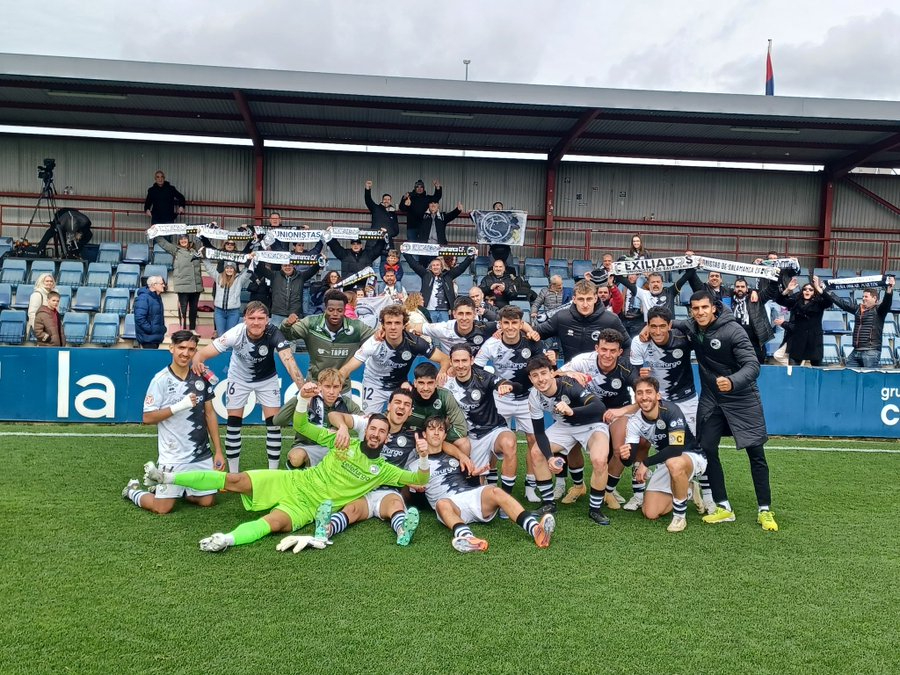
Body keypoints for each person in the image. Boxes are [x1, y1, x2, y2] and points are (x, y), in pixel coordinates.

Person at [143, 394, 431, 552]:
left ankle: (225, 539)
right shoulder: (342, 441)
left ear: (385, 439)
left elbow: (419, 480)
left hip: (308, 506)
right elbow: (302, 426)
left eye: (382, 432)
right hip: (293, 480)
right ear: (365, 430)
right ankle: (166, 478)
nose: (377, 434)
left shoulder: (382, 471)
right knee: (234, 480)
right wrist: (305, 401)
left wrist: (423, 458)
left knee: (273, 524)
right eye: (373, 429)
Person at [679, 291, 777, 531]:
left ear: (714, 307)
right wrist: (650, 328)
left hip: (742, 397)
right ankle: (723, 507)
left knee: (756, 454)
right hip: (713, 399)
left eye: (704, 307)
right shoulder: (693, 327)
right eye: (695, 308)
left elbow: (753, 365)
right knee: (708, 448)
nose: (700, 312)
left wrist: (733, 381)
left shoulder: (733, 330)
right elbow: (672, 324)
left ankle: (764, 509)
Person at [191, 301, 306, 472]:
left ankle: (272, 474)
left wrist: (302, 388)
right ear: (244, 319)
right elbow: (202, 353)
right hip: (239, 379)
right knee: (233, 425)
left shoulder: (274, 333)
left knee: (273, 426)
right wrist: (197, 361)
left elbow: (289, 361)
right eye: (251, 318)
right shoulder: (235, 334)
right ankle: (234, 473)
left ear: (267, 319)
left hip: (267, 379)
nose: (256, 322)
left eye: (261, 318)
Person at [418, 416, 556, 553]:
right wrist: (416, 489)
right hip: (450, 505)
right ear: (424, 434)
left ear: (445, 436)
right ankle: (468, 538)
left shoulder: (457, 457)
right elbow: (415, 497)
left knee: (495, 490)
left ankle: (536, 529)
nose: (436, 433)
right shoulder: (415, 464)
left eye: (440, 429)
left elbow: (470, 481)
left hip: (470, 496)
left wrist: (474, 475)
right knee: (442, 503)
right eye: (431, 429)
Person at [123, 330, 225, 514]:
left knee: (207, 501)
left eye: (191, 349)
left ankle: (179, 488)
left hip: (200, 454)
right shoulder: (160, 380)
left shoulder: (201, 376)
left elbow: (209, 414)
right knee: (162, 508)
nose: (185, 353)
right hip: (173, 456)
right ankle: (132, 491)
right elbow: (147, 418)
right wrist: (180, 406)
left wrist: (218, 451)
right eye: (181, 348)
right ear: (171, 348)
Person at [629, 306, 709, 511]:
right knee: (644, 442)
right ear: (646, 325)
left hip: (685, 399)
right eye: (652, 326)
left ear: (670, 325)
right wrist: (640, 374)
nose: (657, 331)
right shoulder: (639, 342)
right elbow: (635, 378)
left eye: (662, 326)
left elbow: (700, 327)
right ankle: (639, 493)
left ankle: (707, 495)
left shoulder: (683, 338)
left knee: (691, 445)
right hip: (655, 402)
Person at [557, 328, 639, 509]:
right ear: (597, 348)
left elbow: (643, 399)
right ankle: (579, 486)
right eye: (603, 349)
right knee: (572, 444)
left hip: (616, 411)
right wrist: (569, 374)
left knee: (620, 449)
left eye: (612, 351)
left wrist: (622, 410)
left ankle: (608, 491)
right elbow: (554, 375)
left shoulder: (627, 368)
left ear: (620, 352)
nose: (607, 355)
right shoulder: (582, 361)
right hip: (588, 410)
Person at [525, 355, 610, 524]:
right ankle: (548, 503)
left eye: (544, 373)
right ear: (530, 378)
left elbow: (599, 408)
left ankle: (595, 509)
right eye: (535, 375)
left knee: (599, 460)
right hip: (564, 426)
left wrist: (573, 412)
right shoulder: (534, 396)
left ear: (552, 373)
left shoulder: (569, 385)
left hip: (592, 424)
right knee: (536, 452)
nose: (541, 379)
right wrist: (550, 457)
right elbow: (539, 433)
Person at [619, 377, 708, 533]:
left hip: (692, 456)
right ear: (635, 397)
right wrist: (624, 456)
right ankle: (686, 488)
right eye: (639, 393)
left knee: (674, 463)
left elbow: (676, 449)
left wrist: (646, 463)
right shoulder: (634, 422)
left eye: (649, 392)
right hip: (666, 462)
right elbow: (629, 462)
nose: (644, 397)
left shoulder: (671, 410)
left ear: (657, 395)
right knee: (650, 513)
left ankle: (679, 516)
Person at [474, 305, 544, 500]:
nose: (511, 327)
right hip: (501, 398)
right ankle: (491, 481)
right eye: (506, 323)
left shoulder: (531, 341)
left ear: (522, 324)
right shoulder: (491, 344)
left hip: (528, 398)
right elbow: (477, 370)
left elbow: (545, 367)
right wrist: (495, 384)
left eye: (515, 323)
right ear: (500, 324)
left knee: (533, 441)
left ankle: (530, 486)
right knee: (493, 440)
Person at [340, 304, 450, 414]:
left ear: (404, 325)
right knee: (370, 422)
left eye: (397, 323)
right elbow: (347, 369)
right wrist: (332, 384)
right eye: (389, 323)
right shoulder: (373, 343)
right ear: (383, 325)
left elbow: (444, 358)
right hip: (374, 385)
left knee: (404, 418)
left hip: (400, 385)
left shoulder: (415, 343)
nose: (393, 327)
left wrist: (442, 371)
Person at [445, 345, 519, 493]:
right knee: (475, 488)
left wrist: (507, 386)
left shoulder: (483, 376)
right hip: (471, 437)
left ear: (472, 360)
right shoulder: (447, 386)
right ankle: (487, 481)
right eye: (457, 361)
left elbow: (510, 384)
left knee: (508, 443)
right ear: (451, 362)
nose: (460, 365)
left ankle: (506, 496)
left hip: (494, 429)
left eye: (464, 360)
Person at [279, 288, 374, 387]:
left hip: (342, 387)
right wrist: (286, 324)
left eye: (339, 310)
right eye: (331, 310)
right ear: (325, 308)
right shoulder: (310, 323)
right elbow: (287, 335)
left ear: (345, 310)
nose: (335, 314)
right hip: (314, 384)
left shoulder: (357, 327)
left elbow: (377, 338)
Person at [275, 369, 363, 469]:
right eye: (327, 386)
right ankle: (301, 477)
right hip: (307, 446)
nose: (331, 392)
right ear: (319, 385)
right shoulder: (309, 398)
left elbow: (364, 422)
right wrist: (301, 397)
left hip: (334, 448)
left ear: (341, 387)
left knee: (356, 457)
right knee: (296, 457)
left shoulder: (347, 403)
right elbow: (278, 421)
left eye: (336, 387)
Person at [529, 279, 628, 362]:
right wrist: (523, 327)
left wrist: (619, 368)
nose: (585, 304)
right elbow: (535, 332)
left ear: (595, 298)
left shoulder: (611, 319)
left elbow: (628, 345)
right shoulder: (562, 317)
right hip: (571, 376)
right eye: (581, 299)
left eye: (589, 299)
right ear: (574, 299)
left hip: (601, 377)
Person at [825, 277, 895, 368]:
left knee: (868, 379)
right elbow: (842, 304)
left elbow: (887, 302)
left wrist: (889, 290)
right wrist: (827, 292)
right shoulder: (858, 309)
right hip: (856, 351)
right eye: (863, 296)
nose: (863, 298)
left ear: (874, 298)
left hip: (871, 351)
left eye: (866, 296)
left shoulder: (879, 310)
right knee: (849, 375)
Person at [406, 362, 471, 458]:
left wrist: (436, 438)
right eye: (421, 383)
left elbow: (461, 429)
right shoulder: (407, 397)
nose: (426, 388)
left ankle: (458, 472)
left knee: (464, 443)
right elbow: (392, 419)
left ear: (436, 382)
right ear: (415, 383)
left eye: (430, 383)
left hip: (437, 438)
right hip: (412, 439)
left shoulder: (445, 396)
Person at [774, 276, 833, 366]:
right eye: (805, 289)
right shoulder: (796, 302)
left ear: (814, 292)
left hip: (814, 342)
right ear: (802, 292)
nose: (807, 291)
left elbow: (829, 301)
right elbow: (779, 300)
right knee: (794, 373)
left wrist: (818, 288)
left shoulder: (819, 303)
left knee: (816, 373)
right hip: (798, 342)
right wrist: (787, 290)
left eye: (810, 289)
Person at [403, 252, 474, 324]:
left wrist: (470, 257)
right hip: (429, 310)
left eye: (437, 265)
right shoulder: (426, 275)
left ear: (441, 267)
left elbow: (461, 268)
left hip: (444, 311)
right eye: (433, 265)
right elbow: (414, 265)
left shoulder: (448, 276)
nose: (435, 267)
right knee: (430, 331)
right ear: (430, 267)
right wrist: (406, 254)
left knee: (443, 332)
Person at [154, 233, 203, 331]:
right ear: (179, 241)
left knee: (193, 310)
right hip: (183, 287)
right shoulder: (175, 250)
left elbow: (201, 239)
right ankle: (183, 329)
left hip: (196, 287)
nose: (183, 240)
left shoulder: (195, 250)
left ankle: (192, 330)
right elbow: (163, 243)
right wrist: (155, 233)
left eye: (185, 238)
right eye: (181, 239)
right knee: (183, 310)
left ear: (188, 239)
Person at [419, 296, 497, 354]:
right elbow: (414, 327)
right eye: (460, 313)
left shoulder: (484, 328)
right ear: (454, 314)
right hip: (451, 370)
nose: (464, 318)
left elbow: (506, 323)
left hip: (477, 369)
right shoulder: (443, 328)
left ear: (474, 314)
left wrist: (501, 332)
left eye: (468, 314)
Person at [255, 260, 320, 326]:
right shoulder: (274, 275)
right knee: (275, 335)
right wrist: (258, 257)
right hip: (277, 314)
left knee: (294, 335)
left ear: (293, 266)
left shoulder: (301, 276)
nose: (287, 267)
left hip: (295, 314)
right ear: (281, 266)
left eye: (290, 265)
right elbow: (261, 269)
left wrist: (320, 260)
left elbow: (313, 270)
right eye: (285, 265)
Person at [730, 277, 777, 364]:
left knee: (757, 368)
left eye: (742, 286)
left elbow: (770, 291)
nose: (740, 289)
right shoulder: (729, 301)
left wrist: (775, 277)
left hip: (755, 342)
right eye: (738, 286)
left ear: (747, 288)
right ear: (734, 288)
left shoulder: (756, 298)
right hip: (736, 343)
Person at [202, 258, 252, 336]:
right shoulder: (219, 277)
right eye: (227, 268)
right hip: (219, 312)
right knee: (221, 335)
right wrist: (204, 259)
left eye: (231, 268)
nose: (229, 270)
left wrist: (251, 262)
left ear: (234, 269)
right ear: (224, 269)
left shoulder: (239, 279)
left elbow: (248, 273)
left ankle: (229, 349)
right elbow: (210, 269)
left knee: (230, 335)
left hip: (233, 312)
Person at [134, 275, 167, 349]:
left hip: (154, 337)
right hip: (148, 338)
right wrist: (151, 330)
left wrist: (161, 329)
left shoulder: (156, 297)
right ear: (154, 285)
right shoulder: (143, 298)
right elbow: (139, 318)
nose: (164, 285)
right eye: (161, 284)